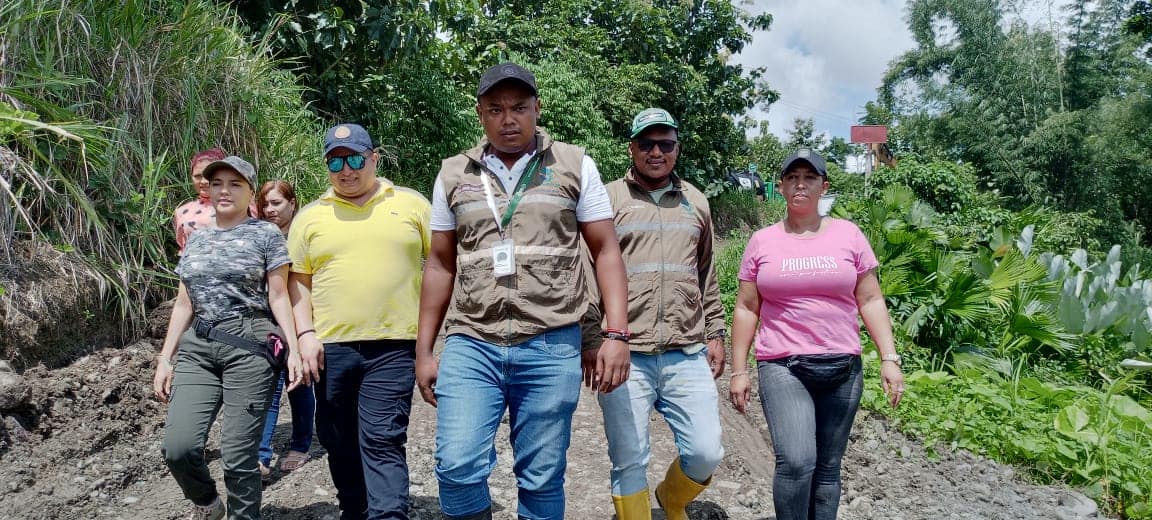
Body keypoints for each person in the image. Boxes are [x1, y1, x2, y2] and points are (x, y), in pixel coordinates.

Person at [415, 62, 631, 520]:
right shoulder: (453, 173)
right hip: (473, 340)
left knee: (542, 475)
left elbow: (606, 250)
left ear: (537, 108)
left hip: (551, 342)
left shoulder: (574, 164)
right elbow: (439, 263)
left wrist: (615, 334)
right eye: (495, 109)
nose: (508, 119)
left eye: (519, 107)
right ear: (480, 114)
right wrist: (424, 350)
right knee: (456, 466)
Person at [728, 148, 906, 520]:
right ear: (781, 186)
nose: (801, 185)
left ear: (823, 187)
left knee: (827, 468)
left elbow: (870, 298)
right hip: (783, 365)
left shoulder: (848, 234)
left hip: (843, 368)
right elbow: (746, 307)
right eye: (793, 178)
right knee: (796, 461)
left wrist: (889, 358)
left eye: (809, 178)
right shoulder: (762, 241)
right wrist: (739, 370)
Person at [590, 108, 727, 520]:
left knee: (706, 451)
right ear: (631, 148)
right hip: (624, 352)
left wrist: (716, 331)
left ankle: (672, 498)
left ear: (677, 149)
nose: (656, 152)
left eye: (665, 144)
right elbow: (588, 270)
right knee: (629, 458)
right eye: (646, 143)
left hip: (686, 351)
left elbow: (706, 273)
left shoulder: (696, 202)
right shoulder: (606, 199)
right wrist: (591, 338)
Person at [288, 123, 431, 520]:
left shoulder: (412, 205)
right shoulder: (309, 217)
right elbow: (297, 282)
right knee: (337, 438)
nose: (346, 170)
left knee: (382, 438)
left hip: (395, 345)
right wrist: (305, 334)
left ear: (374, 158)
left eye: (354, 159)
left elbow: (442, 265)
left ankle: (388, 514)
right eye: (335, 163)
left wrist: (436, 336)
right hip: (331, 348)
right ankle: (354, 509)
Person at [154, 156, 304, 520]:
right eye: (217, 183)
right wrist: (165, 358)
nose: (224, 191)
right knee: (178, 447)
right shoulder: (197, 239)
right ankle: (207, 502)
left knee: (239, 458)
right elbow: (184, 302)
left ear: (251, 193)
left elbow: (279, 296)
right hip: (199, 345)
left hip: (249, 344)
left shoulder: (266, 235)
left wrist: (295, 349)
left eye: (235, 184)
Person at [255, 180, 316, 477]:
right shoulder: (258, 236)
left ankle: (301, 444)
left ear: (292, 203)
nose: (270, 209)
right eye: (265, 204)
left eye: (276, 203)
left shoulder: (303, 235)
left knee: (300, 382)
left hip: (302, 318)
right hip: (268, 321)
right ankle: (261, 455)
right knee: (269, 383)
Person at [173, 148, 226, 254]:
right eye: (197, 176)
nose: (203, 181)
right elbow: (183, 249)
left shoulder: (240, 206)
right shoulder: (182, 212)